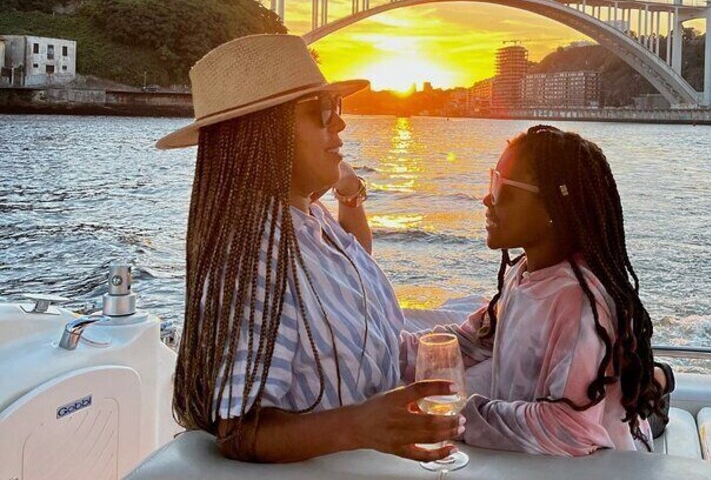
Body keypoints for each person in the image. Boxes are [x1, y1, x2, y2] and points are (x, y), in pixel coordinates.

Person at [158, 34, 462, 463]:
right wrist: (360, 425)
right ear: (265, 134)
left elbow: (353, 267)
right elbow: (240, 431)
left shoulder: (308, 219)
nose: (340, 125)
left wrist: (348, 190)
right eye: (322, 112)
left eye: (336, 108)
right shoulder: (257, 260)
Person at [403, 125, 670, 455]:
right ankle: (657, 379)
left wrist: (461, 418)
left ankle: (658, 380)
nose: (487, 198)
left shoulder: (576, 302)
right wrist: (384, 351)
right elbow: (473, 341)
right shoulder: (524, 274)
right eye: (492, 180)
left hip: (600, 467)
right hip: (540, 462)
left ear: (552, 207)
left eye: (503, 188)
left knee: (643, 406)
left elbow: (569, 428)